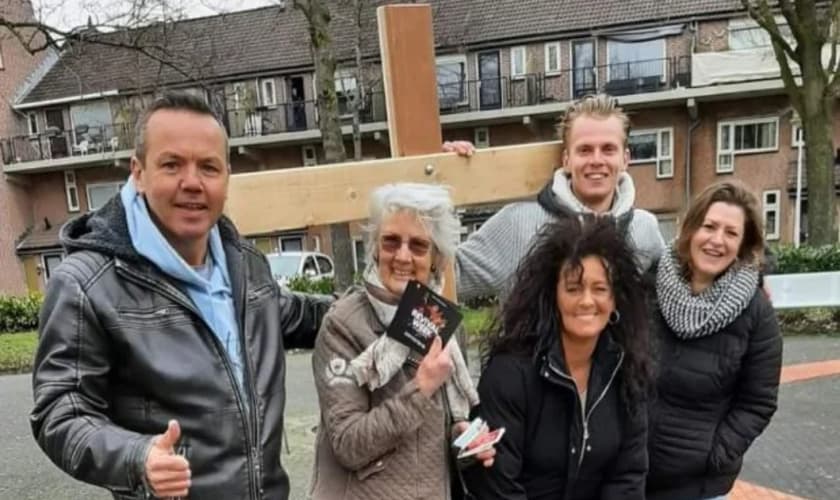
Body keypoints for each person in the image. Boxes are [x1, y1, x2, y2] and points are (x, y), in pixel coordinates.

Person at [30, 92, 332, 499]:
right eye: (172, 164)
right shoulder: (87, 283)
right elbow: (61, 410)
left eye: (208, 167)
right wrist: (137, 457)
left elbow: (307, 316)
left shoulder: (244, 264)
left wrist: (407, 305)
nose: (192, 182)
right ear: (138, 172)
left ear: (226, 175)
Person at [309, 183, 495, 500]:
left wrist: (462, 439)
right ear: (375, 249)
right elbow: (348, 444)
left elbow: (429, 434)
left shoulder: (439, 319)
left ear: (437, 258)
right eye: (391, 241)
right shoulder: (342, 324)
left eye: (419, 245)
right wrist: (420, 388)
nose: (403, 256)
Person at [464, 216, 651, 500]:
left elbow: (627, 477)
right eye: (573, 288)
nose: (587, 301)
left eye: (600, 289)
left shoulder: (625, 371)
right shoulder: (510, 373)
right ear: (553, 296)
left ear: (615, 299)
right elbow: (496, 486)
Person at [445, 94, 665, 301]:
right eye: (585, 150)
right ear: (566, 160)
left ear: (625, 159)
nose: (597, 160)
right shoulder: (519, 223)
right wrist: (437, 193)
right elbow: (447, 277)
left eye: (608, 149)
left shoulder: (644, 229)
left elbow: (674, 295)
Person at [646, 181, 783, 500]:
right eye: (709, 226)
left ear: (743, 244)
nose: (717, 240)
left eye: (731, 233)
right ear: (691, 229)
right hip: (628, 475)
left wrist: (715, 453)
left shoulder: (756, 313)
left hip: (699, 487)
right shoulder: (647, 288)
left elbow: (758, 402)